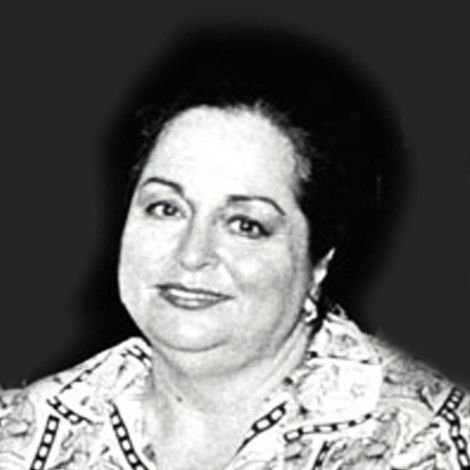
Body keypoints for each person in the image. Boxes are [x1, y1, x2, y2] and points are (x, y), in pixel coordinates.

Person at [1, 27, 469, 470]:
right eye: (166, 208)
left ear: (319, 262)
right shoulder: (23, 432)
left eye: (245, 225)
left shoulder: (432, 443)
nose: (191, 254)